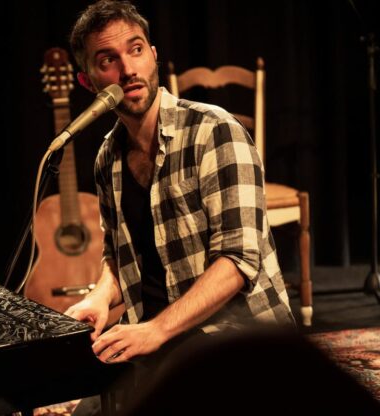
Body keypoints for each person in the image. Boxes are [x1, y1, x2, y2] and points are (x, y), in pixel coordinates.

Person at [64, 1, 295, 412]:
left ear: (153, 56)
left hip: (237, 335)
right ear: (88, 81)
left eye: (136, 50)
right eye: (108, 60)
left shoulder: (215, 131)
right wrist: (99, 297)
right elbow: (118, 255)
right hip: (158, 336)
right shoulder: (107, 159)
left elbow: (238, 260)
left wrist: (155, 331)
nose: (128, 69)